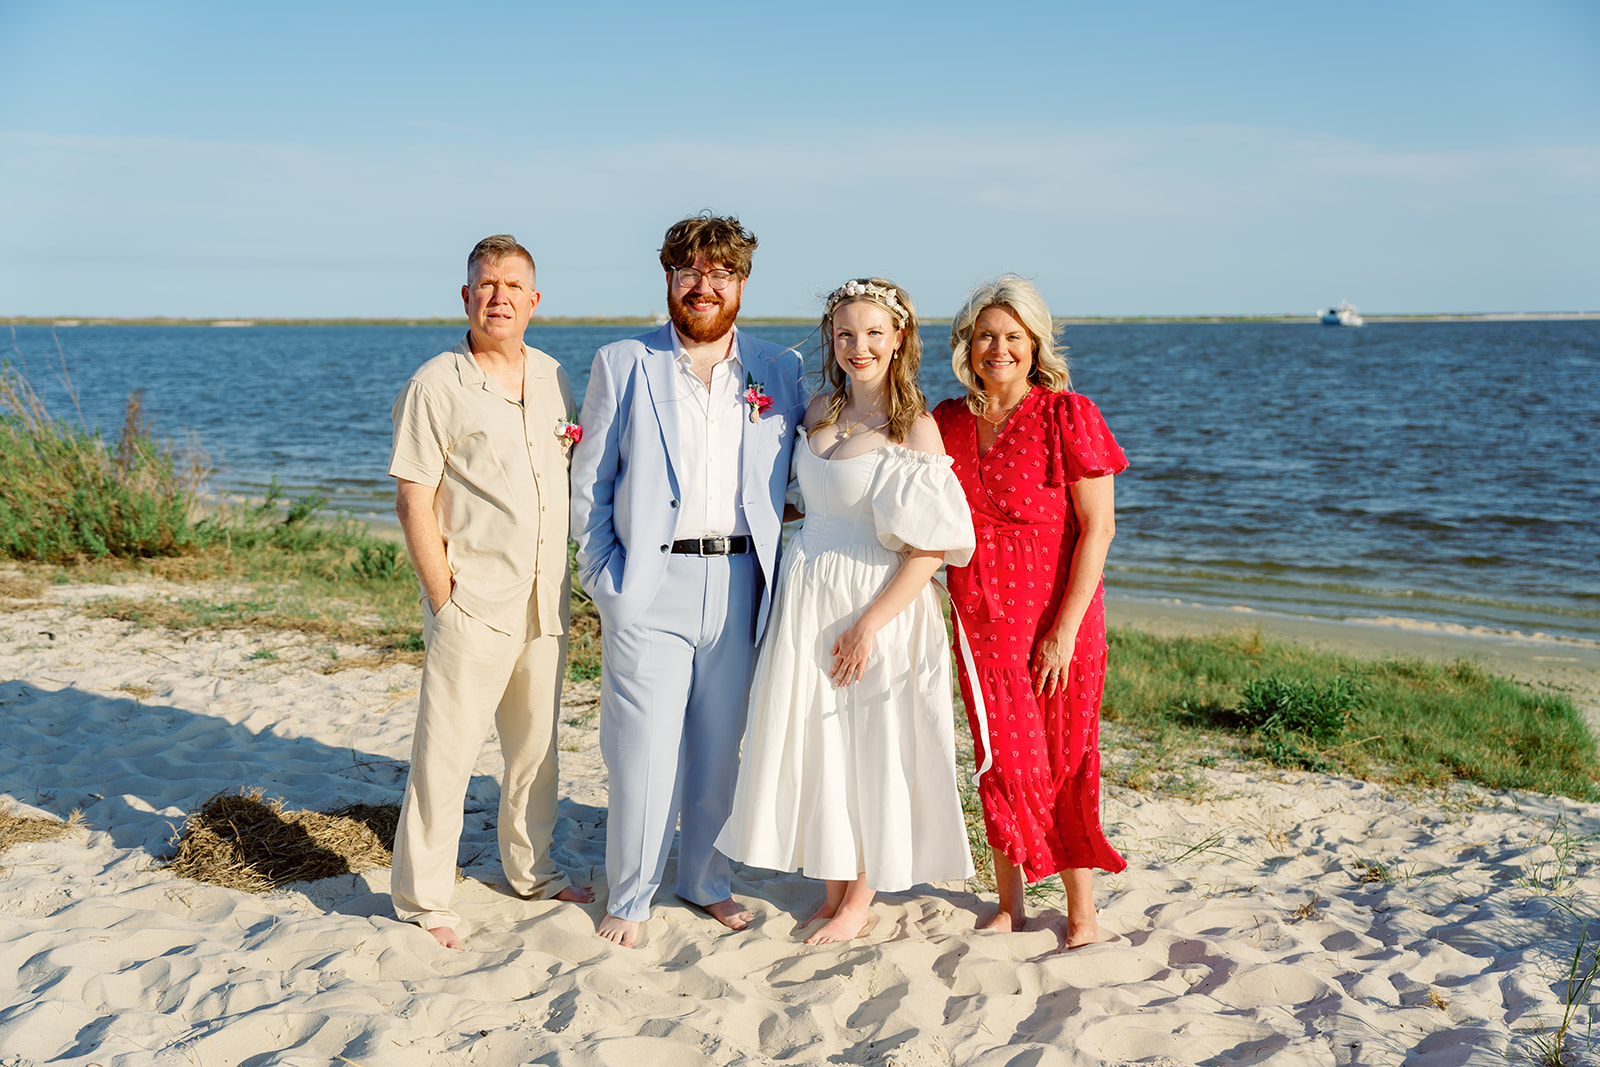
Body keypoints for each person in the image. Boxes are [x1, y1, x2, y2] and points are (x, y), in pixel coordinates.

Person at [569, 213, 807, 948]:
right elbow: (591, 483)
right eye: (690, 271)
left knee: (718, 743)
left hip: (742, 580)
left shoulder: (781, 369)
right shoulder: (623, 361)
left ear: (740, 284)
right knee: (641, 748)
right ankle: (631, 894)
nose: (704, 285)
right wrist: (606, 577)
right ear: (669, 279)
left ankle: (703, 879)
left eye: (720, 273)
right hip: (651, 581)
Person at [716, 277, 976, 944]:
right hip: (807, 591)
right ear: (832, 340)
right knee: (817, 736)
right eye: (845, 334)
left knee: (870, 742)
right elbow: (808, 500)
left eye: (872, 334)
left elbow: (931, 548)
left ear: (898, 340)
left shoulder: (913, 426)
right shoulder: (816, 408)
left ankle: (862, 896)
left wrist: (870, 624)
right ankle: (832, 886)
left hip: (876, 598)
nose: (859, 346)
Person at [387, 234, 594, 951]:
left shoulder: (556, 376)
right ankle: (424, 897)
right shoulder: (436, 384)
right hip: (473, 600)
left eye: (512, 285)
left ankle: (532, 870)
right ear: (466, 296)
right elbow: (413, 498)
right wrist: (443, 595)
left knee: (535, 749)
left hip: (545, 598)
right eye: (486, 283)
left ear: (534, 301)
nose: (498, 295)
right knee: (445, 753)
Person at [931, 275, 1129, 947]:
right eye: (986, 334)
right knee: (1000, 759)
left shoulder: (1065, 415)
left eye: (1013, 336)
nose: (999, 348)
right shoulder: (946, 422)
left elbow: (1097, 529)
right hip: (979, 620)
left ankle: (1082, 913)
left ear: (1035, 343)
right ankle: (1009, 902)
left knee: (1065, 759)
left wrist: (1064, 630)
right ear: (968, 343)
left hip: (1055, 621)